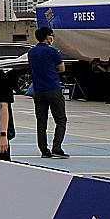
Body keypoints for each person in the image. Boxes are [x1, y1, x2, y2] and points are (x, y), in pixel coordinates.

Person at [29, 26, 69, 159]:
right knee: (60, 119)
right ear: (47, 37)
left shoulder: (31, 52)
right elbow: (62, 68)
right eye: (51, 35)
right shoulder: (52, 51)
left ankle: (44, 149)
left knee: (41, 121)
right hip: (53, 88)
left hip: (38, 90)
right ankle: (56, 147)